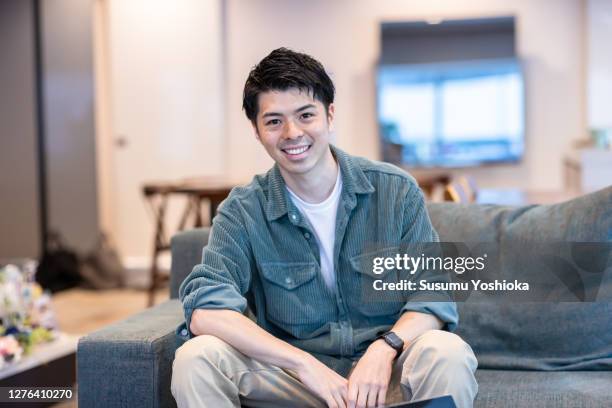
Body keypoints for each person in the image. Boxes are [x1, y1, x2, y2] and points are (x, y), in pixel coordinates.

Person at [171, 48, 478, 408]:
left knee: (447, 352)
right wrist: (301, 363)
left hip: (386, 375)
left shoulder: (395, 191)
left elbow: (433, 294)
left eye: (305, 115)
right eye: (274, 121)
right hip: (296, 381)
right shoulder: (243, 210)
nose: (292, 133)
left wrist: (385, 349)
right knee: (198, 357)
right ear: (256, 130)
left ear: (329, 114)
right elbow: (205, 308)